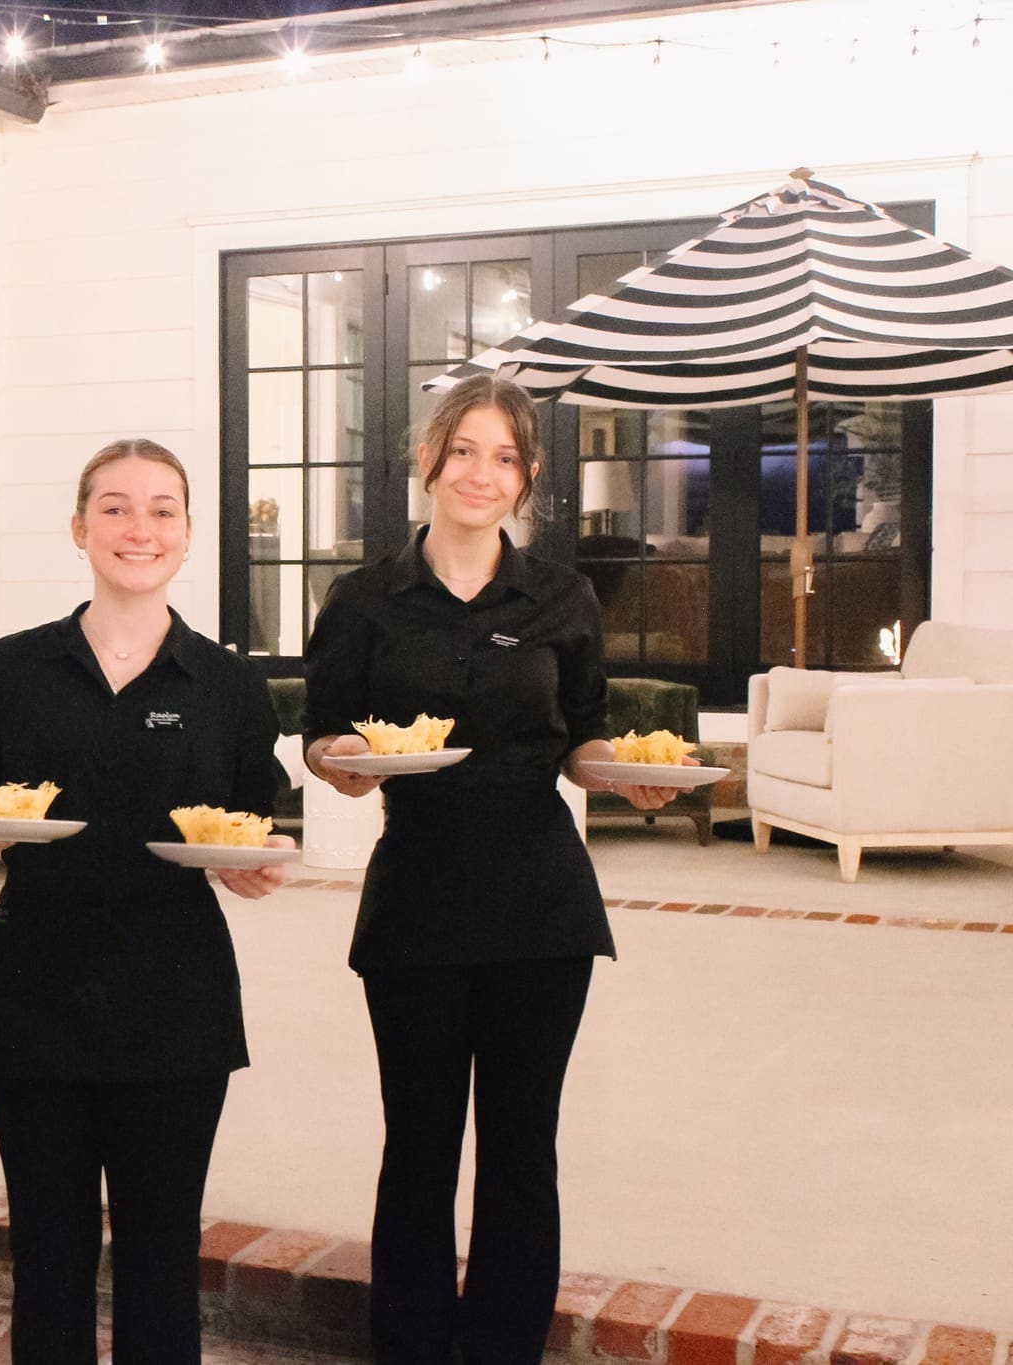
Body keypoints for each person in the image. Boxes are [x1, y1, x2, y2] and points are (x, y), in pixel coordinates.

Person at [301, 377, 689, 1365]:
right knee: (418, 1148)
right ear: (427, 462)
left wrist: (631, 780)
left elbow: (583, 743)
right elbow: (321, 737)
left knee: (521, 1151)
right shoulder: (362, 600)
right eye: (463, 451)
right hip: (416, 896)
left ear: (525, 480)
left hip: (539, 901)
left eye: (504, 457)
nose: (481, 473)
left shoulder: (557, 596)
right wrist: (344, 765)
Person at [0, 438, 294, 1365]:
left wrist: (255, 865)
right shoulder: (11, 669)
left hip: (177, 996)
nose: (141, 528)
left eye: (163, 509)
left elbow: (256, 827)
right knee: (47, 1255)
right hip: (32, 989)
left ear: (188, 532)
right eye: (116, 506)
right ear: (79, 526)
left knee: (161, 1255)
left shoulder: (229, 683)